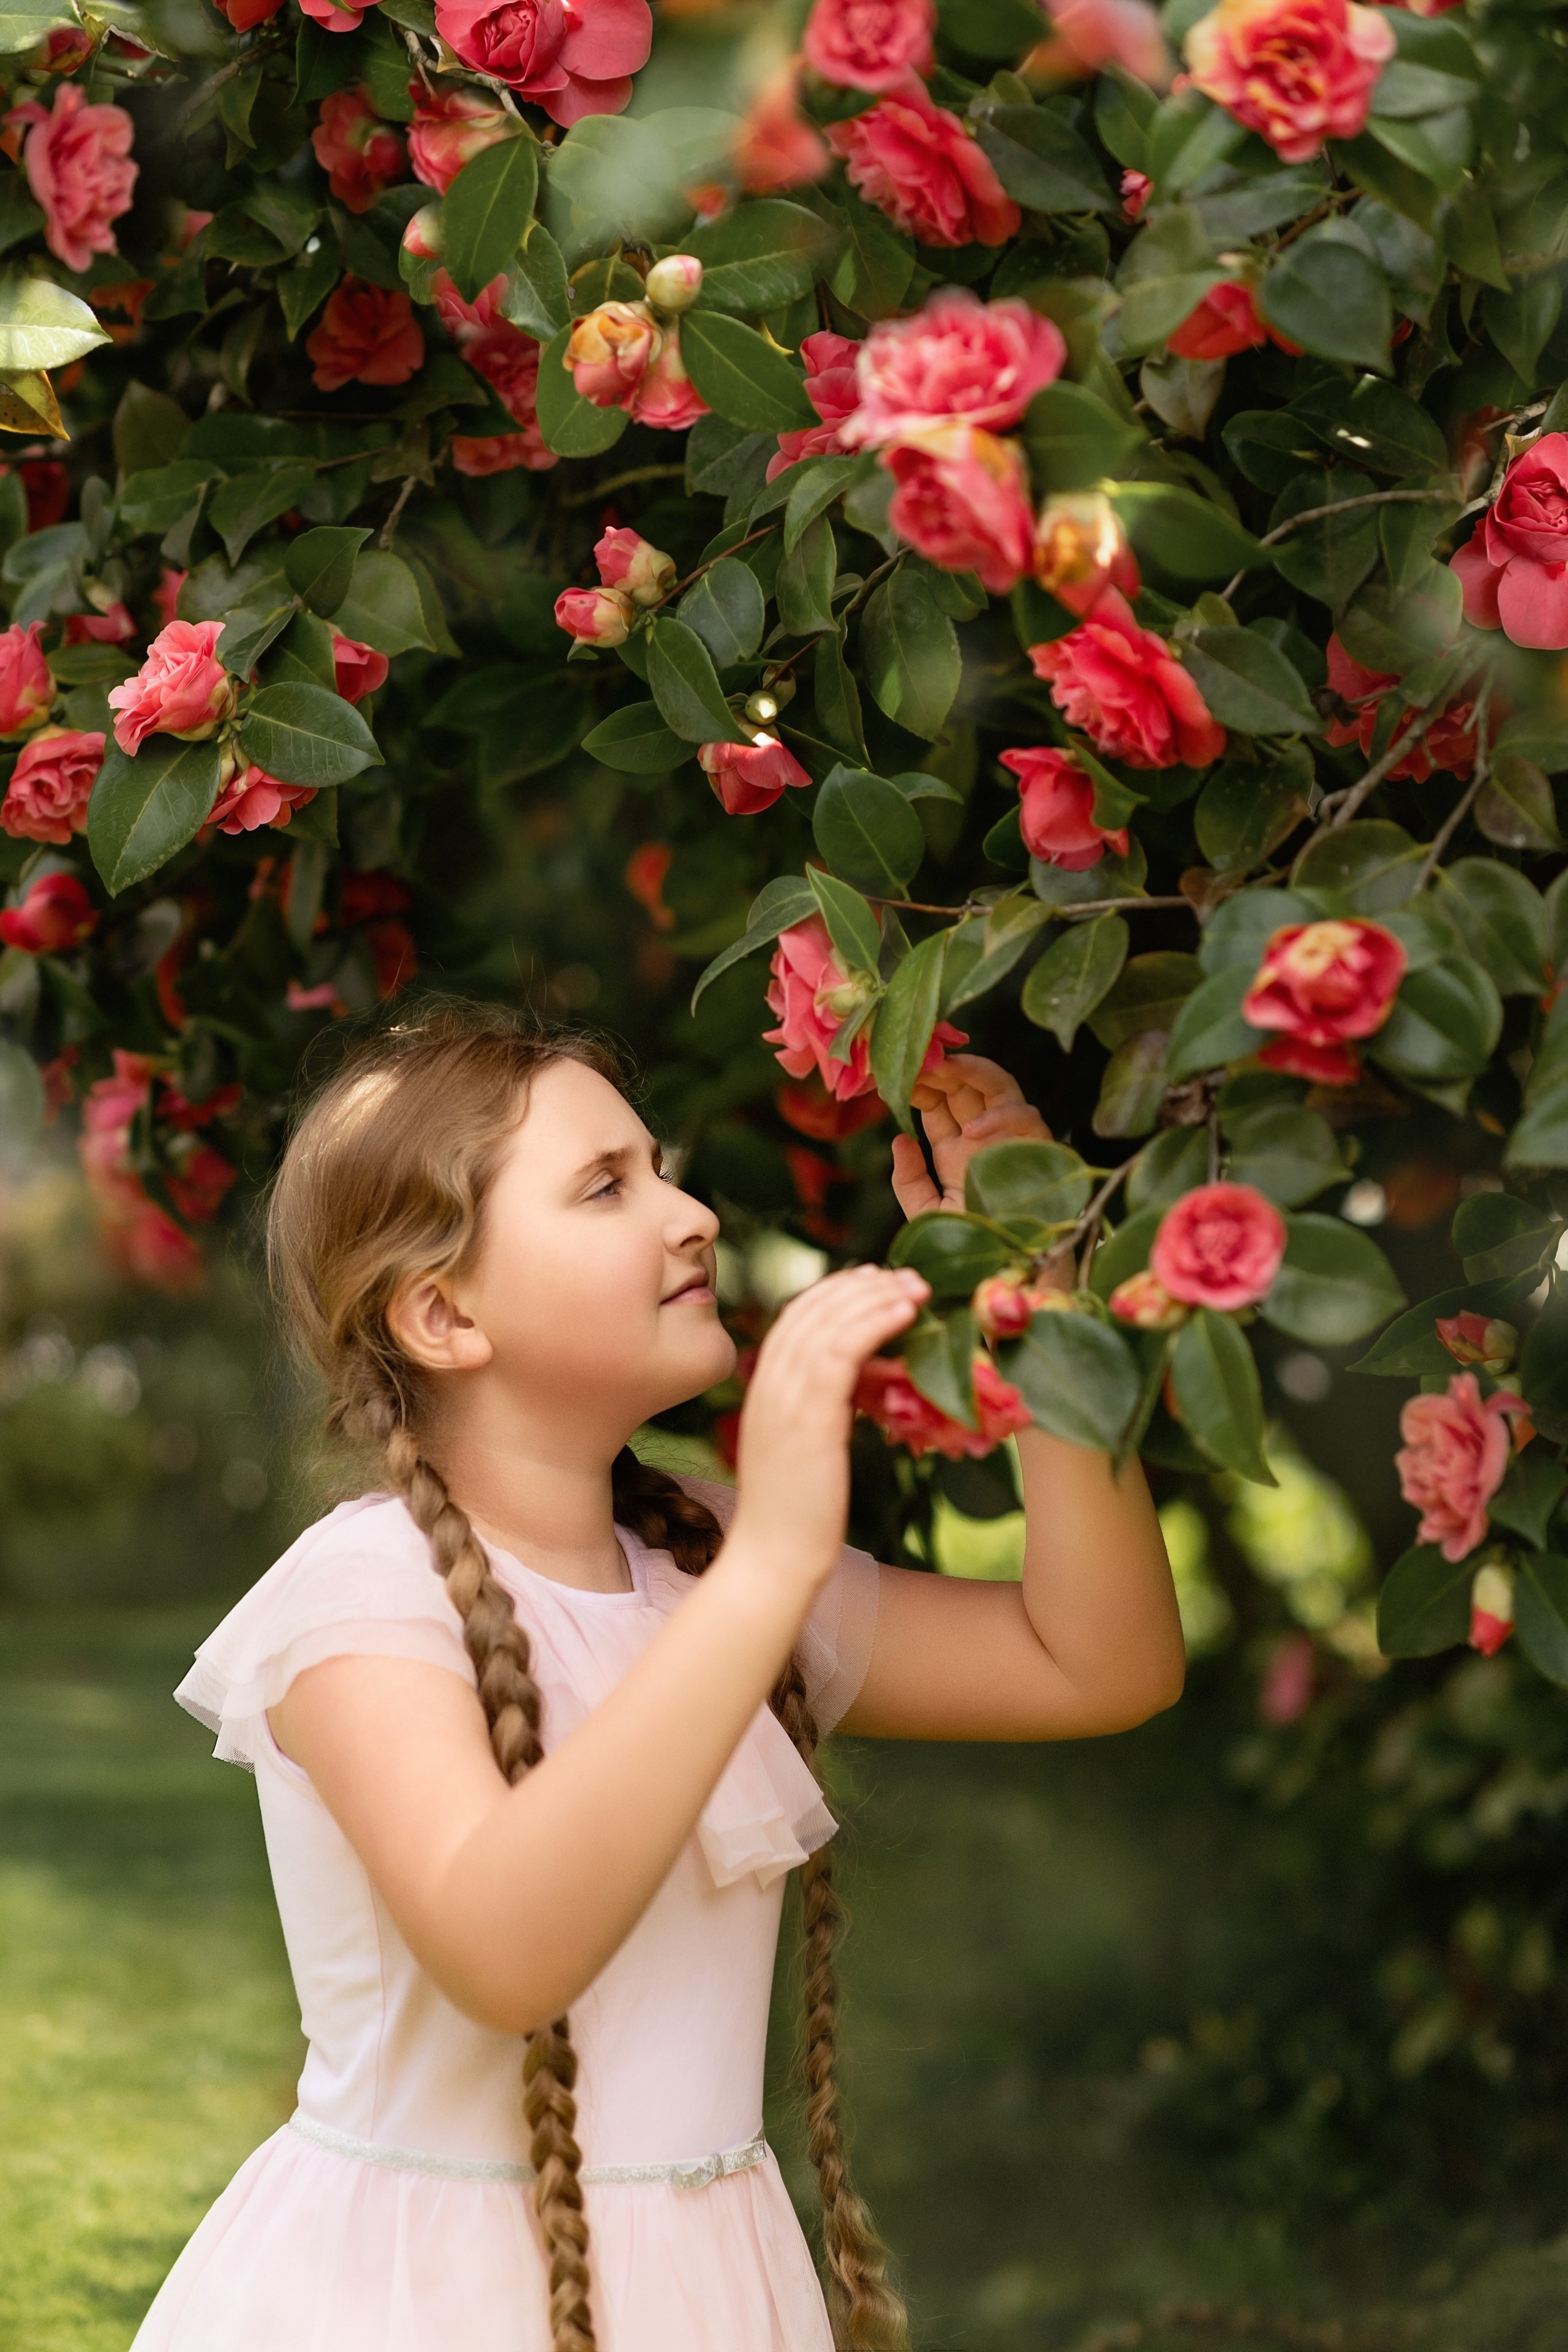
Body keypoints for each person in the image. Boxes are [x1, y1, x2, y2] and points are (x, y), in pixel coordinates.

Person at [130, 1003, 1183, 2352]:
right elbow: (506, 1955)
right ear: (445, 1313)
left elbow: (1100, 1663)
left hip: (708, 2292)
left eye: (662, 1171)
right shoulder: (363, 1597)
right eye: (604, 1187)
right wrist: (773, 1561)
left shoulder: (701, 1559)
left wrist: (1041, 1295)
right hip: (415, 2299)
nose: (691, 1216)